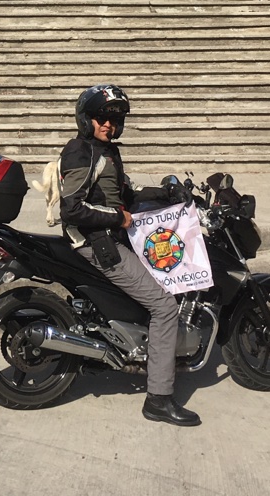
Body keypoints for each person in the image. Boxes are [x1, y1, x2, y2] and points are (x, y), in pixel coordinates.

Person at [59, 84, 201, 427]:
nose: (108, 124)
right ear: (86, 119)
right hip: (99, 245)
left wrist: (166, 194)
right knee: (165, 307)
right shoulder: (82, 153)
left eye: (114, 119)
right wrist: (115, 218)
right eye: (101, 118)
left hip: (111, 237)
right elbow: (72, 207)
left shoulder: (105, 151)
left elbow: (122, 194)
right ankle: (159, 399)